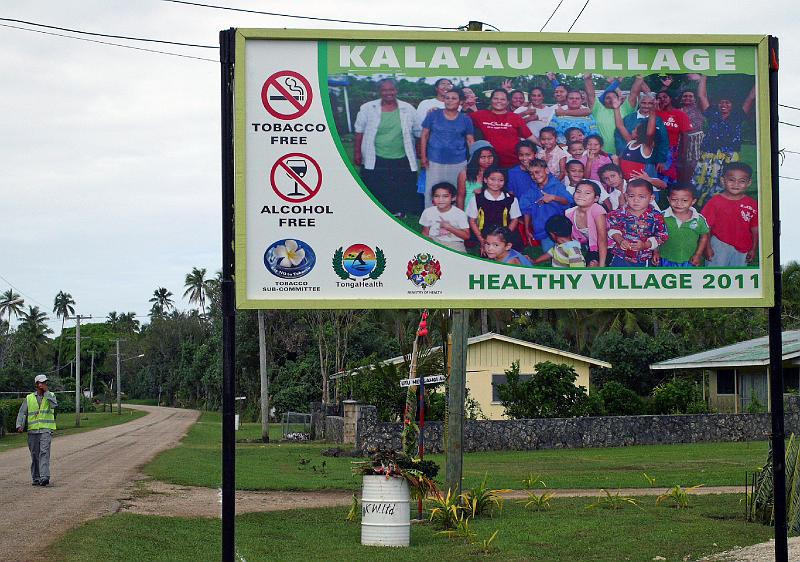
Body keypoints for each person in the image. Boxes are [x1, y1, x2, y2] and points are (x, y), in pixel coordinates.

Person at [353, 78, 420, 216]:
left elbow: (418, 131)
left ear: (396, 91)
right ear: (380, 92)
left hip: (402, 155)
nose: (388, 93)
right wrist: (357, 153)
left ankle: (400, 211)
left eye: (391, 89)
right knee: (377, 184)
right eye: (384, 90)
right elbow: (359, 131)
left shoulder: (408, 108)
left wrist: (420, 151)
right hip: (376, 155)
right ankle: (379, 211)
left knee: (401, 185)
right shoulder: (368, 108)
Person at [689, 74, 756, 207]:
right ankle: (695, 205)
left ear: (732, 105)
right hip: (709, 154)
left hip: (728, 156)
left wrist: (761, 77)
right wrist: (704, 76)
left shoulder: (738, 116)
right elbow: (702, 96)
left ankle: (717, 206)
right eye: (721, 102)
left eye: (727, 102)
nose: (723, 105)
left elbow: (751, 97)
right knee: (700, 181)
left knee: (722, 183)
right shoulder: (712, 114)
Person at [419, 89, 475, 207]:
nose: (449, 101)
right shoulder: (433, 115)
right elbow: (424, 135)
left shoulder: (465, 119)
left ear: (461, 102)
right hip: (434, 160)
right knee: (432, 191)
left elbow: (470, 140)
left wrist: (473, 161)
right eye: (447, 98)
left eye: (454, 98)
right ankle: (431, 219)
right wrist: (423, 157)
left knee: (455, 191)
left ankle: (453, 219)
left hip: (458, 162)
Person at [702, 162, 758, 267]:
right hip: (719, 245)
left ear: (749, 183)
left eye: (742, 181)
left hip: (743, 247)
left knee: (737, 277)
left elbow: (755, 229)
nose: (736, 184)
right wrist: (707, 247)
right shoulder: (714, 202)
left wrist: (753, 249)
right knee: (715, 275)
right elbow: (705, 227)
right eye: (731, 180)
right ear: (723, 180)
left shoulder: (752, 204)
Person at [470, 89, 538, 169]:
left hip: (514, 162)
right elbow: (459, 119)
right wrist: (466, 105)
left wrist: (544, 145)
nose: (499, 101)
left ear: (507, 102)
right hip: (490, 164)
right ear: (491, 100)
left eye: (502, 99)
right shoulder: (479, 115)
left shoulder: (515, 117)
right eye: (496, 98)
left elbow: (529, 136)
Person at [606, 178, 668, 267]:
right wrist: (620, 240)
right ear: (626, 196)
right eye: (631, 196)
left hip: (644, 258)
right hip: (620, 256)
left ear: (651, 198)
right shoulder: (618, 214)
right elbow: (612, 229)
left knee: (641, 280)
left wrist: (646, 245)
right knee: (618, 278)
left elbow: (662, 235)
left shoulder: (656, 216)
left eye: (641, 196)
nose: (636, 200)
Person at [520, 158, 574, 252]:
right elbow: (526, 210)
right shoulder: (531, 190)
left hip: (559, 229)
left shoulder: (557, 186)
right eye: (531, 174)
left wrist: (553, 198)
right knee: (550, 254)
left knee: (567, 253)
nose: (535, 176)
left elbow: (569, 201)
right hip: (542, 229)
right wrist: (527, 229)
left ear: (546, 170)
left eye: (537, 172)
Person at [583, 74, 644, 154]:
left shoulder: (626, 108)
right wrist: (588, 79)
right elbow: (590, 95)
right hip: (603, 153)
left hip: (624, 152)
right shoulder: (598, 109)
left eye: (614, 97)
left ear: (618, 99)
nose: (611, 99)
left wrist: (639, 77)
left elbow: (634, 93)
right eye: (608, 98)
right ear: (603, 101)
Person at [652, 184, 710, 267]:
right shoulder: (661, 217)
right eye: (674, 199)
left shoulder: (698, 219)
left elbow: (704, 237)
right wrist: (656, 252)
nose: (679, 203)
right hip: (665, 258)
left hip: (689, 260)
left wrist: (698, 254)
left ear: (693, 201)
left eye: (684, 200)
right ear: (668, 199)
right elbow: (655, 235)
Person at [467, 167, 522, 253]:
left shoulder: (511, 199)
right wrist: (482, 240)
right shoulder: (477, 199)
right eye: (492, 179)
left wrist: (504, 238)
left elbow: (515, 219)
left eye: (501, 180)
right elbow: (472, 221)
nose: (496, 183)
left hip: (505, 233)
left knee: (510, 257)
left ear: (505, 181)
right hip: (484, 235)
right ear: (485, 179)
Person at [16, 374, 58, 486]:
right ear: (36, 384)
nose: (43, 385)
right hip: (32, 431)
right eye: (41, 383)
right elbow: (22, 412)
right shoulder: (29, 398)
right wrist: (19, 425)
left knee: (44, 453)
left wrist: (47, 392)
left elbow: (54, 405)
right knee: (35, 455)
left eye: (45, 383)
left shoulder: (51, 395)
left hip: (46, 430)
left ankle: (44, 477)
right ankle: (36, 477)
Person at [565, 180, 608, 267]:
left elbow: (602, 239)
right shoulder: (569, 213)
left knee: (595, 266)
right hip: (591, 247)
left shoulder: (597, 209)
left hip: (609, 245)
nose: (581, 195)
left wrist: (602, 266)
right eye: (578, 191)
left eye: (587, 193)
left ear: (596, 198)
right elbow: (570, 238)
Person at [419, 182, 470, 252]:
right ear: (433, 198)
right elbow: (425, 233)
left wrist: (449, 227)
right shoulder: (428, 212)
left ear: (453, 198)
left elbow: (466, 236)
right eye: (436, 196)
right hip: (434, 240)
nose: (440, 200)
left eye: (445, 196)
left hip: (454, 243)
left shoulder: (460, 214)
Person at [655, 90, 693, 185]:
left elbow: (685, 135)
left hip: (670, 150)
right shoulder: (655, 114)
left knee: (667, 177)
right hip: (655, 149)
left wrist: (683, 154)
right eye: (659, 98)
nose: (662, 99)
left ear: (670, 98)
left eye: (665, 97)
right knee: (655, 175)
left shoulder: (679, 114)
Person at [457, 140, 497, 211]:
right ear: (475, 158)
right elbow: (460, 197)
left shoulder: (497, 173)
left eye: (490, 156)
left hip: (488, 213)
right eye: (483, 157)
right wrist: (461, 216)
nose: (487, 160)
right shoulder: (464, 174)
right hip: (469, 211)